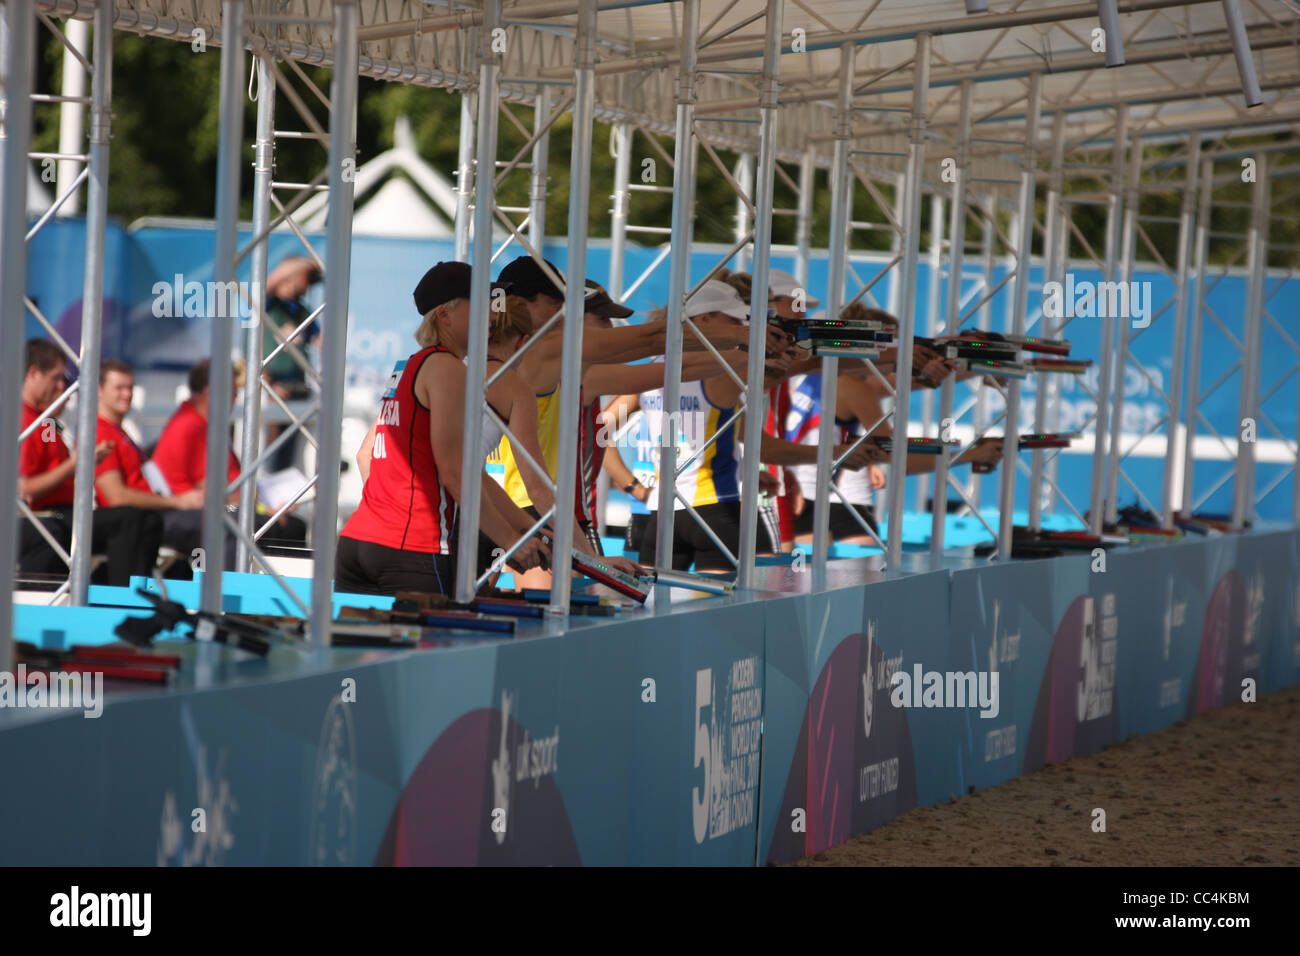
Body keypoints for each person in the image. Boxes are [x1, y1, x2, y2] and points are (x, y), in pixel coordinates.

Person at [490, 255, 769, 587]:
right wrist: (756, 343)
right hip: (534, 509)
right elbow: (652, 345)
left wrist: (751, 353)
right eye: (557, 302)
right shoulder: (549, 351)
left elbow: (664, 369)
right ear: (524, 303)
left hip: (515, 509)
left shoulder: (529, 358)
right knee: (546, 627)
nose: (566, 312)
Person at [611, 281, 883, 572]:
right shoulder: (724, 373)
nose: (742, 326)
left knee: (653, 612)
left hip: (660, 514)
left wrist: (632, 486)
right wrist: (870, 339)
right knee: (722, 614)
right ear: (705, 319)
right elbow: (810, 365)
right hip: (715, 511)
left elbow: (600, 429)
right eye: (734, 320)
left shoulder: (654, 368)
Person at [335, 263, 551, 595]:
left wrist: (525, 528)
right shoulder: (447, 369)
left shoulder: (407, 366)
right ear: (444, 315)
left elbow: (369, 455)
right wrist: (511, 540)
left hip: (360, 540)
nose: (492, 316)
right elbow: (456, 473)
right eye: (480, 305)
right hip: (412, 549)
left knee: (358, 647)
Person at [16, 339, 163, 586]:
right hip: (42, 517)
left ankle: (124, 593)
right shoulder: (23, 420)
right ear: (33, 374)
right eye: (55, 379)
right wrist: (77, 464)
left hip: (64, 512)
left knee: (146, 520)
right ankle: (119, 600)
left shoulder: (46, 423)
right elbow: (24, 490)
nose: (62, 387)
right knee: (128, 519)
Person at [151, 359, 307, 568]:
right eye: (233, 391)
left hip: (210, 506)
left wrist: (265, 507)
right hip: (195, 510)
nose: (235, 398)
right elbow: (213, 490)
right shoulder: (192, 426)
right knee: (274, 526)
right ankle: (244, 593)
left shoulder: (202, 423)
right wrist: (264, 509)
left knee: (286, 525)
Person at [93, 358, 207, 560]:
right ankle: (222, 589)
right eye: (119, 388)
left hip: (156, 514)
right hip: (144, 520)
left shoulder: (121, 434)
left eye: (130, 388)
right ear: (99, 391)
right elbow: (116, 497)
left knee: (219, 521)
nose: (127, 394)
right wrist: (177, 501)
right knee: (214, 528)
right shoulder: (101, 433)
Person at [261, 255, 323, 470]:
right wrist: (309, 265)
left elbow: (322, 341)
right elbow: (275, 278)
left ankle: (283, 492)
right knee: (271, 449)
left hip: (297, 386)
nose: (307, 283)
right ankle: (266, 490)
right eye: (306, 278)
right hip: (270, 385)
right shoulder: (268, 303)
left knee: (291, 453)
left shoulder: (301, 310)